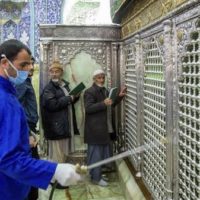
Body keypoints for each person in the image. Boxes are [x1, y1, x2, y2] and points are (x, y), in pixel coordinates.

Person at [0, 39, 81, 200]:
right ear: (4, 63)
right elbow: (9, 159)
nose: (30, 68)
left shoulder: (8, 92)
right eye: (23, 65)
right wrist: (53, 171)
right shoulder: (5, 100)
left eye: (30, 64)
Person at [84, 69, 126, 187]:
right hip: (95, 130)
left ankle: (96, 175)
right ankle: (96, 179)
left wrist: (119, 97)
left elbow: (110, 103)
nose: (101, 80)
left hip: (103, 128)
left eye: (103, 77)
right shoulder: (89, 92)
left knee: (99, 155)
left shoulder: (104, 90)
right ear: (94, 79)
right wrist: (103, 103)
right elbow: (88, 108)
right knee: (95, 155)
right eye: (99, 78)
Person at [40, 60, 80, 164]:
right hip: (56, 127)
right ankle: (54, 179)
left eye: (56, 71)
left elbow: (69, 101)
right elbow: (52, 105)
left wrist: (75, 96)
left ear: (61, 72)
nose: (54, 74)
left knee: (63, 154)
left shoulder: (64, 85)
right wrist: (69, 98)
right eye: (52, 72)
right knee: (56, 155)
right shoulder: (49, 88)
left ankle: (60, 177)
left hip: (65, 124)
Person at [15, 56, 39, 200]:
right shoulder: (21, 82)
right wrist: (28, 133)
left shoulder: (26, 81)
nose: (31, 67)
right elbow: (17, 109)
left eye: (32, 63)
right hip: (25, 130)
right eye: (26, 64)